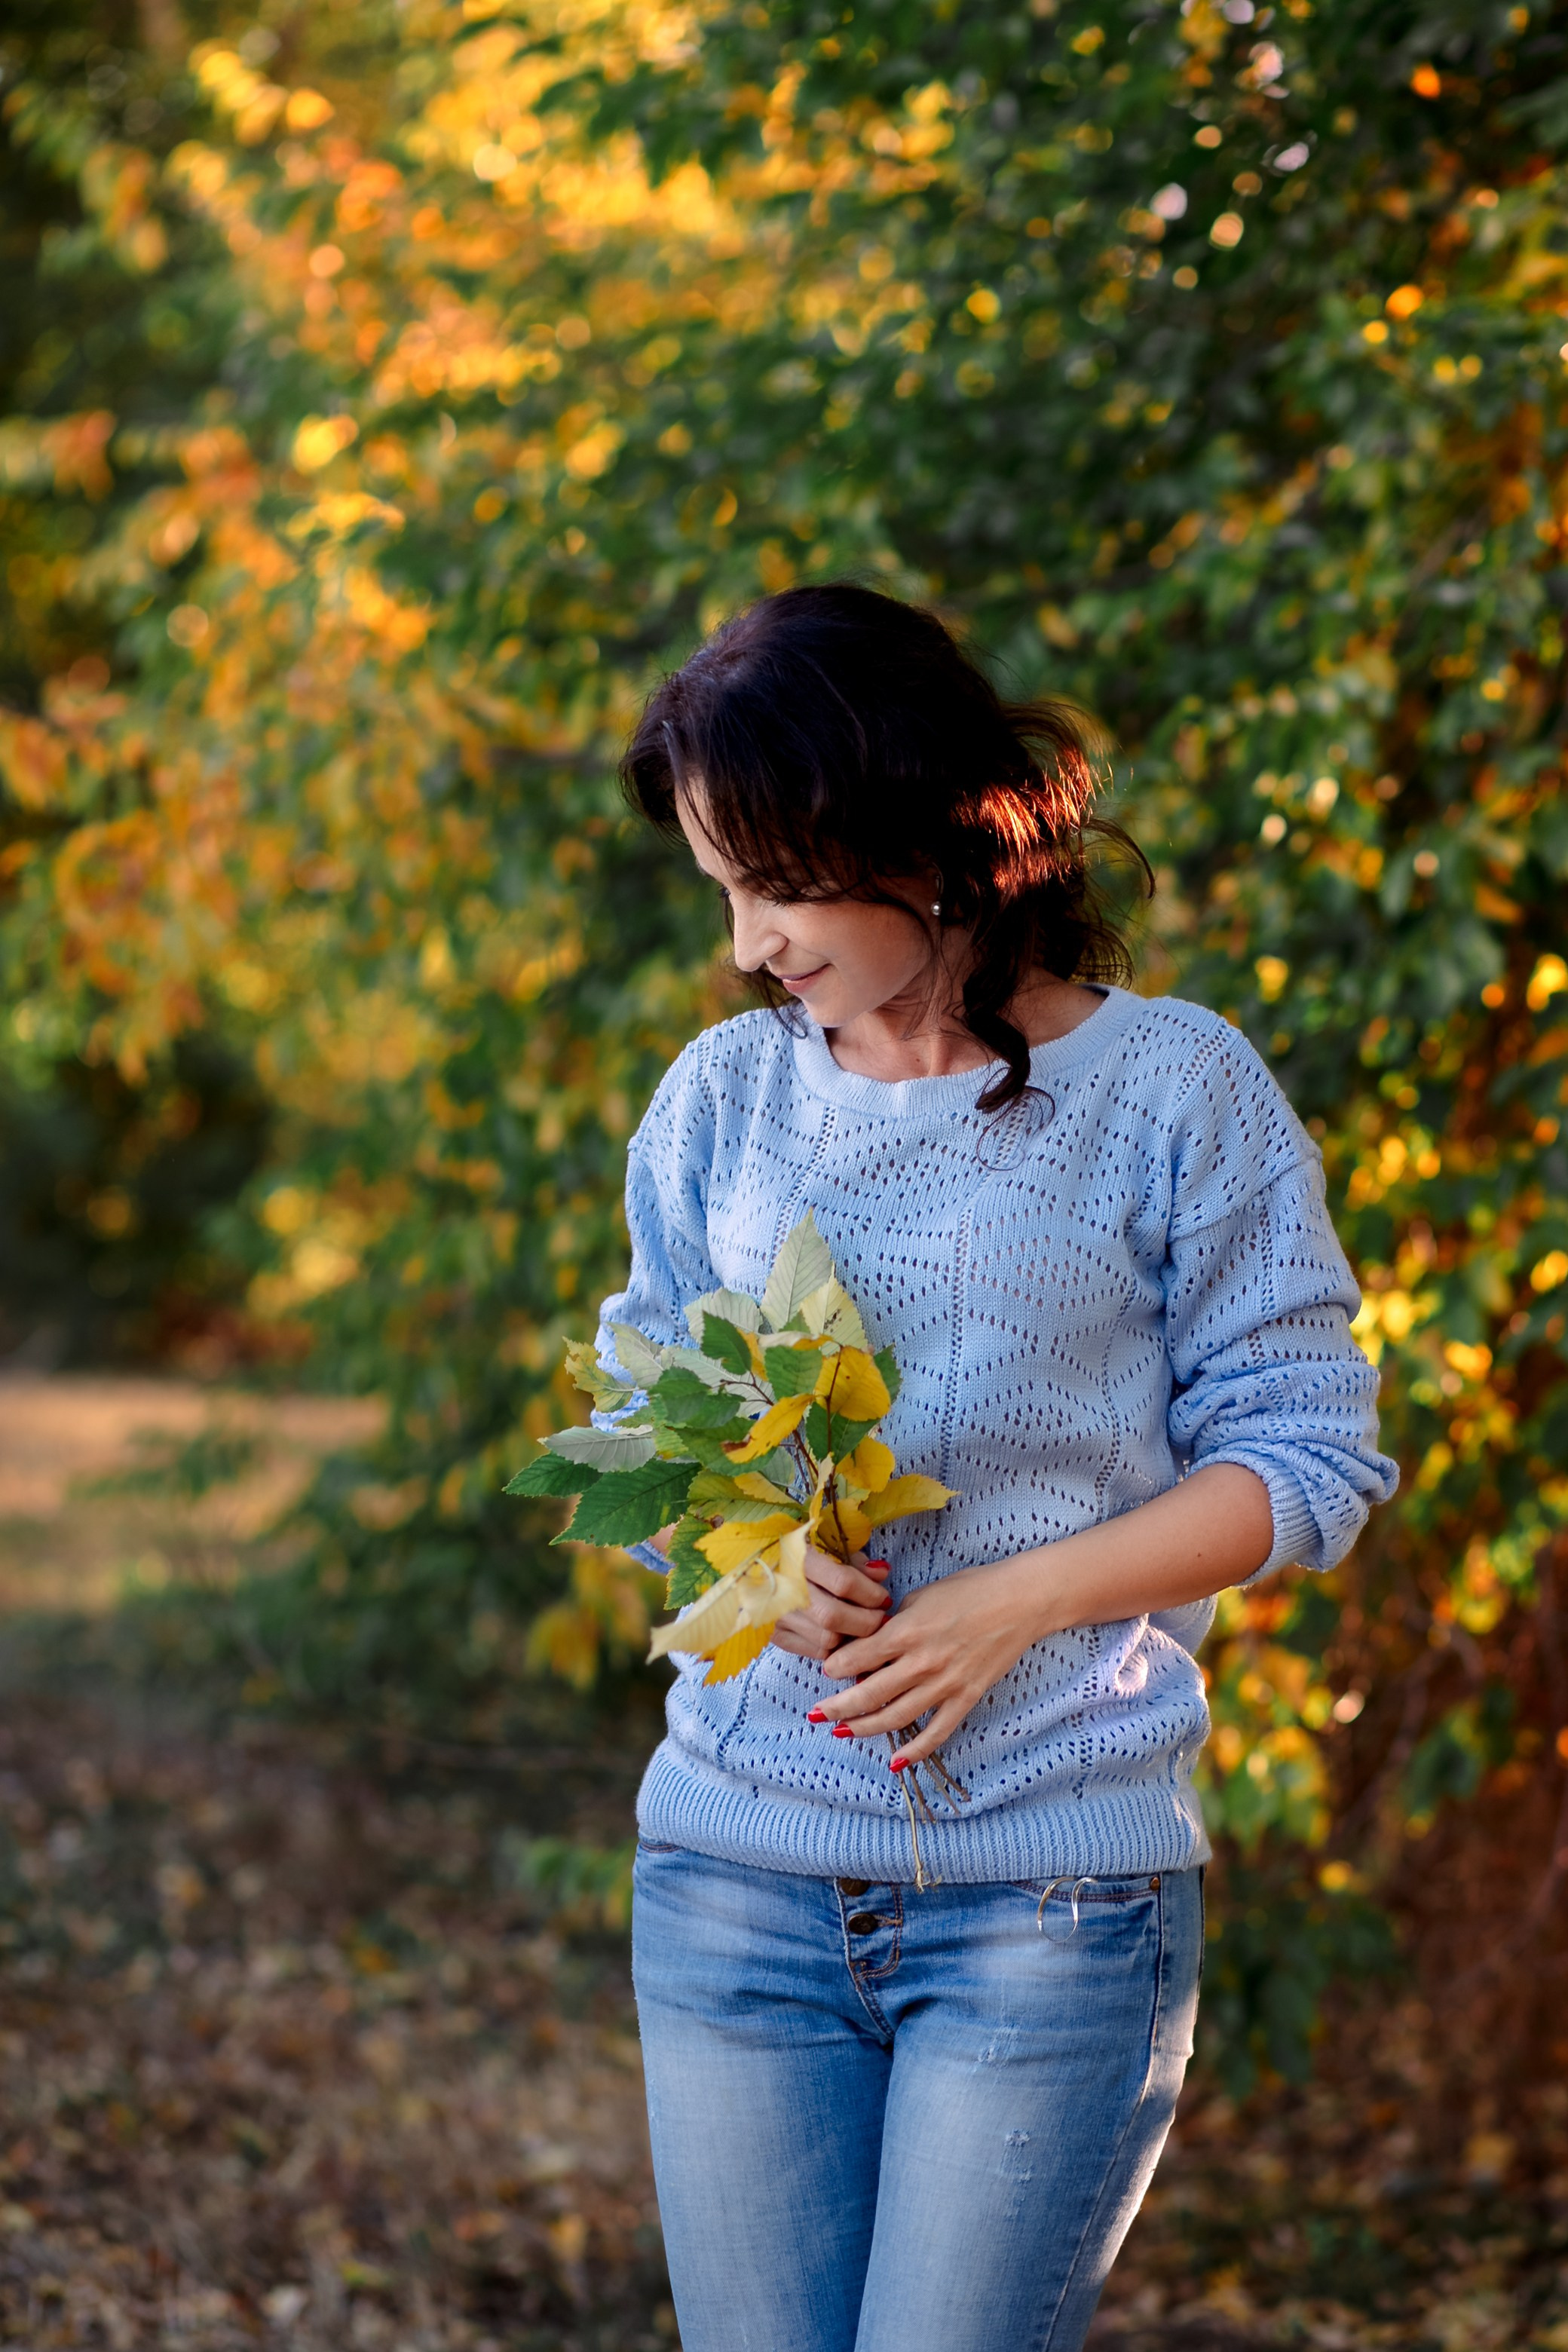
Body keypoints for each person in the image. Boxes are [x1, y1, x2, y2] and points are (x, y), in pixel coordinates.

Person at [598, 583, 1397, 2352]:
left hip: (1050, 1900)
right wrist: (745, 1563)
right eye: (720, 887)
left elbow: (1309, 1456)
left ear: (924, 838)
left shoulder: (1175, 1089)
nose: (746, 944)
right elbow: (649, 1426)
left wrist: (1008, 1607)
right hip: (733, 1887)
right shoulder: (718, 1101)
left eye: (780, 883)